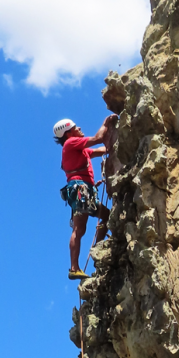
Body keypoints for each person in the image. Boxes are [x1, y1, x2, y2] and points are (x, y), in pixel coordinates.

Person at [53, 117, 115, 280]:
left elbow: (102, 149)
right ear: (68, 133)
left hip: (83, 189)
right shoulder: (71, 143)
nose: (79, 127)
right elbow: (97, 139)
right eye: (75, 127)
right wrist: (105, 124)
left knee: (106, 216)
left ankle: (98, 248)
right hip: (80, 189)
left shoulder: (80, 150)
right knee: (79, 228)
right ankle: (74, 268)